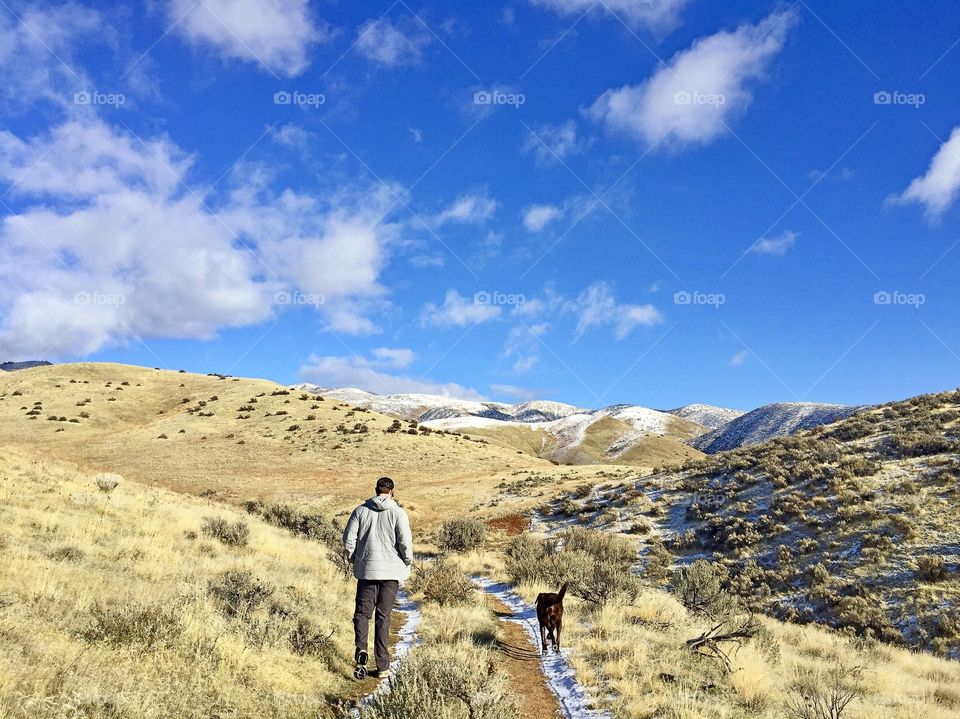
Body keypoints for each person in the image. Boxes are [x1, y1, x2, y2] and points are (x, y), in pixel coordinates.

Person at [342, 476, 413, 679]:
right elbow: (405, 543)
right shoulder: (399, 513)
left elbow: (348, 541)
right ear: (391, 491)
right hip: (391, 573)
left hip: (367, 571)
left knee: (362, 614)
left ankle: (361, 651)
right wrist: (406, 562)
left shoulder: (360, 511)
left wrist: (356, 559)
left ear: (376, 490)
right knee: (384, 616)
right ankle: (382, 664)